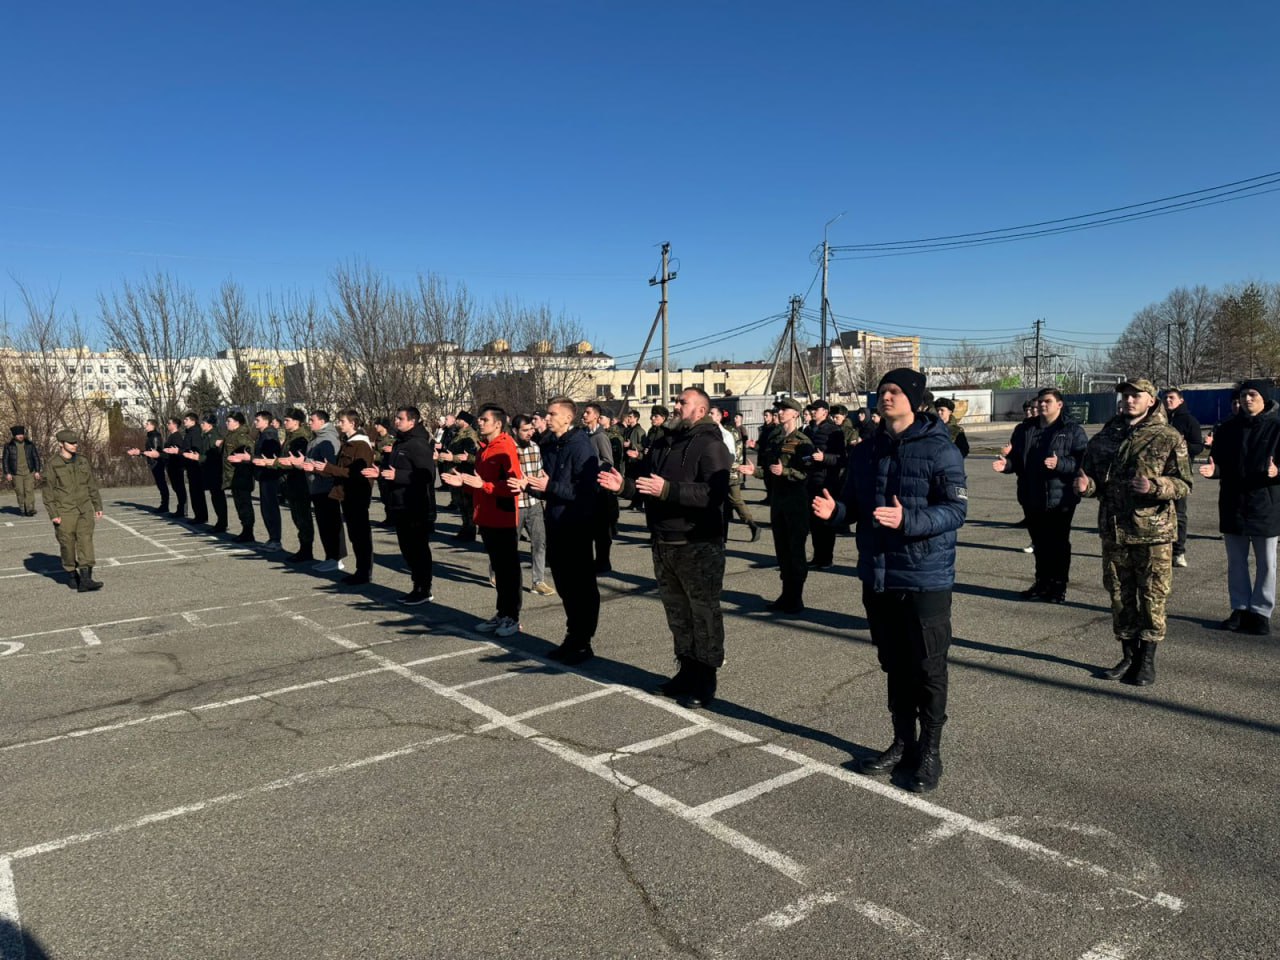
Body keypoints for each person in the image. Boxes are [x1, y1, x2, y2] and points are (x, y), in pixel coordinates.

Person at [812, 368, 967, 793]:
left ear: (915, 401)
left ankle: (930, 752)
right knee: (894, 664)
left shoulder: (940, 450)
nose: (886, 397)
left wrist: (909, 519)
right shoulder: (866, 451)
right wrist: (836, 513)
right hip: (878, 574)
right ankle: (903, 742)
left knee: (928, 667)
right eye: (882, 391)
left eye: (896, 391)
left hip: (925, 575)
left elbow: (955, 512)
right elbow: (854, 506)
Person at [599, 388, 731, 707]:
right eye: (677, 402)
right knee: (677, 614)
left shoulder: (711, 445)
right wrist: (624, 488)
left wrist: (668, 490)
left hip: (697, 543)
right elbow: (645, 487)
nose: (675, 406)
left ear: (700, 411)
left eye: (682, 402)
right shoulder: (663, 442)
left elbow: (714, 494)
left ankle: (705, 680)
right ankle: (685, 671)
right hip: (663, 541)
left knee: (703, 613)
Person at [1077, 378, 1192, 687]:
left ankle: (1147, 660)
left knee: (1153, 598)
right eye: (1126, 395)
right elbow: (1094, 478)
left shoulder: (1168, 437)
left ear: (1151, 400)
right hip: (1114, 530)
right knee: (1119, 597)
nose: (1129, 400)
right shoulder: (1106, 436)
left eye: (1136, 396)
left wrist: (1156, 486)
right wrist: (1088, 488)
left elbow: (1184, 484)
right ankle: (1128, 655)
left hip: (1153, 533)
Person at [514, 396, 600, 663]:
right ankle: (572, 636)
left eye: (552, 414)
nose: (546, 418)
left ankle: (582, 640)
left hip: (577, 524)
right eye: (546, 414)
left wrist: (548, 487)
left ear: (567, 418)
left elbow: (585, 491)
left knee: (581, 586)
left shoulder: (581, 445)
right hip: (556, 521)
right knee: (564, 583)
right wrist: (527, 485)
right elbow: (546, 482)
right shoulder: (550, 445)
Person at [1196, 380, 1280, 636]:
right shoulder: (1228, 429)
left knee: (1267, 562)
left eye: (1253, 395)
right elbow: (1219, 463)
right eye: (1243, 396)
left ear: (1264, 398)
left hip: (1265, 504)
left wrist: (1277, 471)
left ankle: (1261, 612)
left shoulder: (1277, 428)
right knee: (1236, 561)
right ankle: (1240, 608)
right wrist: (1214, 471)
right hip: (1233, 502)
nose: (1247, 400)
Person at [992, 387, 1088, 603]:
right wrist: (1006, 464)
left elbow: (1082, 462)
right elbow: (1017, 460)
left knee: (1058, 544)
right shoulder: (1024, 430)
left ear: (1059, 405)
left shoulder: (1071, 430)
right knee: (1039, 543)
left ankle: (1058, 586)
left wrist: (1060, 463)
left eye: (1047, 401)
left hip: (1059, 497)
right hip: (1031, 495)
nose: (1042, 405)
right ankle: (1041, 583)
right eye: (1040, 402)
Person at [445, 404, 523, 635]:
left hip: (503, 518)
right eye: (479, 419)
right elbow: (479, 483)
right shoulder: (483, 449)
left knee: (509, 571)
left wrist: (485, 486)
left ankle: (512, 617)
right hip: (486, 517)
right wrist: (465, 483)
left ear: (497, 424)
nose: (480, 422)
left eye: (484, 419)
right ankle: (502, 614)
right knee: (499, 570)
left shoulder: (505, 447)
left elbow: (514, 486)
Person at [739, 397, 813, 613]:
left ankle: (796, 598)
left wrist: (787, 472)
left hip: (796, 503)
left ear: (796, 414)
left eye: (785, 410)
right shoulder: (778, 440)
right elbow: (771, 470)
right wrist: (755, 472)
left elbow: (806, 474)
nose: (780, 413)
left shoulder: (803, 441)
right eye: (779, 410)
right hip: (779, 503)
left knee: (795, 551)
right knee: (782, 551)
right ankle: (786, 594)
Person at [368, 406, 436, 605]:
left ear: (412, 422)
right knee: (407, 548)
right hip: (399, 503)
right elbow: (394, 468)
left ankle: (424, 588)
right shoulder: (400, 442)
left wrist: (398, 476)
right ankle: (417, 585)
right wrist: (380, 472)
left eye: (400, 418)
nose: (396, 421)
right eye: (396, 418)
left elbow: (427, 475)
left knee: (418, 549)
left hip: (415, 505)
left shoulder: (418, 444)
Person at [307, 410, 374, 584]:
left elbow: (357, 473)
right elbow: (339, 470)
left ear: (353, 423)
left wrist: (328, 468)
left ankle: (364, 572)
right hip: (347, 495)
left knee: (361, 536)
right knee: (355, 535)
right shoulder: (347, 443)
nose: (339, 424)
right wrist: (318, 468)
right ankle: (361, 571)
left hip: (357, 495)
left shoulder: (361, 445)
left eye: (342, 421)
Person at [283, 410, 346, 572]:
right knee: (324, 525)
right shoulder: (316, 438)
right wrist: (301, 462)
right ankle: (329, 557)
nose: (309, 423)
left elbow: (328, 465)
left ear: (322, 421)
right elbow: (312, 462)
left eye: (312, 420)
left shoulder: (328, 439)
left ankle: (336, 558)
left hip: (327, 487)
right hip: (316, 487)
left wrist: (307, 464)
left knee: (332, 524)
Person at [42, 429, 104, 592]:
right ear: (61, 444)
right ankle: (71, 574)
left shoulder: (82, 461)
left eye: (76, 443)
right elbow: (48, 492)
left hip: (84, 509)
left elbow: (91, 485)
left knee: (86, 543)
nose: (75, 445)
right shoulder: (53, 464)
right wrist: (53, 514)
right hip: (65, 511)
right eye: (71, 443)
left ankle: (86, 579)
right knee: (67, 545)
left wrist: (97, 505)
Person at [512, 414, 555, 596]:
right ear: (515, 431)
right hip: (515, 504)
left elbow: (539, 475)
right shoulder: (508, 449)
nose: (530, 433)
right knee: (508, 545)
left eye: (531, 429)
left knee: (539, 542)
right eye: (525, 430)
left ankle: (538, 581)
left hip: (534, 503)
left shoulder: (535, 447)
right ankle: (500, 574)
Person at [1163, 388, 1205, 568]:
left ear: (1180, 400)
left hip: (1180, 474)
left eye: (1171, 398)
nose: (1168, 401)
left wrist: (1183, 445)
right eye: (1165, 398)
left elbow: (1198, 447)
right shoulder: (1160, 420)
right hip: (1159, 473)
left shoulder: (1189, 421)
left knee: (1179, 513)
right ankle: (1161, 550)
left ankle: (1178, 551)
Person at [804, 400, 846, 569]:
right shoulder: (808, 429)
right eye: (812, 409)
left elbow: (841, 458)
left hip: (827, 482)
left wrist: (824, 458)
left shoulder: (834, 431)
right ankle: (817, 556)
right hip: (810, 480)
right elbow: (805, 453)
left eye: (816, 409)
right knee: (813, 522)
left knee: (826, 522)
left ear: (825, 412)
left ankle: (827, 558)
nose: (813, 412)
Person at [710, 404, 758, 542]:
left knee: (735, 501)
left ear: (720, 417)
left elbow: (732, 455)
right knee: (724, 504)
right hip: (722, 473)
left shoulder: (727, 432)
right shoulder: (715, 431)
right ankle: (722, 534)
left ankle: (752, 525)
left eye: (712, 413)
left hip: (731, 473)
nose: (709, 416)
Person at [275, 408, 315, 564]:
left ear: (296, 422)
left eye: (288, 420)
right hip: (290, 483)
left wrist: (273, 463)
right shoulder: (291, 436)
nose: (285, 422)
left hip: (299, 483)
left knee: (302, 518)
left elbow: (295, 461)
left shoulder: (301, 438)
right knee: (297, 517)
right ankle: (304, 548)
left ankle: (306, 549)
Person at [581, 402, 617, 572]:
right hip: (585, 488)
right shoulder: (582, 435)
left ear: (596, 416)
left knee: (602, 530)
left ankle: (604, 561)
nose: (584, 415)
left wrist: (593, 467)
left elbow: (609, 462)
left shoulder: (600, 437)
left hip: (600, 489)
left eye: (587, 413)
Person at [440, 410, 479, 541]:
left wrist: (453, 457)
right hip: (455, 473)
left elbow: (470, 457)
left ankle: (470, 530)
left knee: (468, 505)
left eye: (458, 419)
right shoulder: (458, 434)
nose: (456, 421)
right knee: (461, 504)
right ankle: (465, 528)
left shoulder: (470, 435)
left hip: (464, 474)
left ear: (464, 421)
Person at [248, 411, 284, 549]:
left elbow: (269, 456)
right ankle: (272, 538)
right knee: (267, 507)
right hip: (265, 475)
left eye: (257, 420)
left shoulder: (269, 435)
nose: (255, 422)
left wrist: (250, 458)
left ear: (266, 421)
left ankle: (275, 539)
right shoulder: (263, 434)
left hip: (269, 475)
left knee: (270, 508)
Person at [221, 412, 257, 544]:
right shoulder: (231, 435)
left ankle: (248, 531)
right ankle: (245, 530)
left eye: (229, 421)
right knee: (239, 505)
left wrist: (241, 461)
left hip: (242, 477)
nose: (226, 423)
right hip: (233, 476)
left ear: (237, 422)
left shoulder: (242, 437)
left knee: (244, 505)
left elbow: (249, 456)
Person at [125, 419, 168, 513]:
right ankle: (164, 504)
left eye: (147, 424)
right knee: (160, 484)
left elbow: (155, 452)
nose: (145, 426)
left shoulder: (155, 436)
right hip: (153, 462)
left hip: (157, 463)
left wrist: (139, 452)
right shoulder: (150, 436)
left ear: (153, 426)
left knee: (162, 484)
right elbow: (148, 451)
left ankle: (165, 505)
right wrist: (138, 452)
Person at [193, 415, 226, 532]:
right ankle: (220, 522)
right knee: (215, 497)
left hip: (214, 471)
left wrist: (198, 457)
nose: (201, 425)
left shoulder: (213, 436)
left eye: (203, 423)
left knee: (218, 497)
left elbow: (213, 457)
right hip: (209, 470)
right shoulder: (206, 435)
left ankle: (222, 523)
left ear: (210, 424)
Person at [4, 425, 43, 516]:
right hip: (16, 473)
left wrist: (37, 471)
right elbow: (5, 460)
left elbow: (36, 457)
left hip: (29, 472)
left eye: (22, 434)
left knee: (29, 490)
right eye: (18, 435)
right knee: (20, 491)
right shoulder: (9, 446)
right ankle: (22, 508)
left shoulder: (29, 444)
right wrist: (7, 473)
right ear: (14, 436)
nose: (20, 436)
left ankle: (29, 509)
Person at [180, 413, 210, 526]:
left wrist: (190, 455)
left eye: (186, 419)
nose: (184, 421)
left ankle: (201, 516)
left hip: (195, 466)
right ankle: (198, 515)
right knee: (193, 491)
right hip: (190, 464)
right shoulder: (189, 432)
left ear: (193, 421)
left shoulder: (195, 432)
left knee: (197, 492)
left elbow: (196, 449)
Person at [161, 417, 188, 519]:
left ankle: (182, 509)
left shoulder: (176, 437)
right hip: (172, 465)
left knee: (179, 487)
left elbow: (178, 451)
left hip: (176, 466)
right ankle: (180, 508)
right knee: (176, 487)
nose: (167, 425)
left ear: (175, 425)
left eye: (169, 423)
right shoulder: (171, 436)